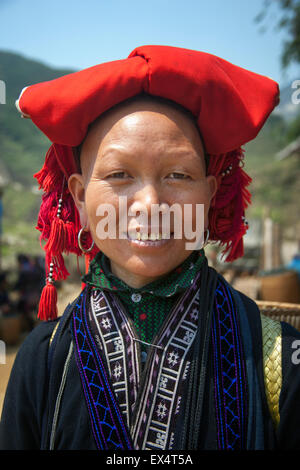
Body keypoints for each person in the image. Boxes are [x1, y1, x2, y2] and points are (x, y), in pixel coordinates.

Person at [0, 45, 299, 451]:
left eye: (178, 174)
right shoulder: (44, 358)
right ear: (81, 197)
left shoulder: (278, 357)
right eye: (120, 175)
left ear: (209, 196)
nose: (151, 204)